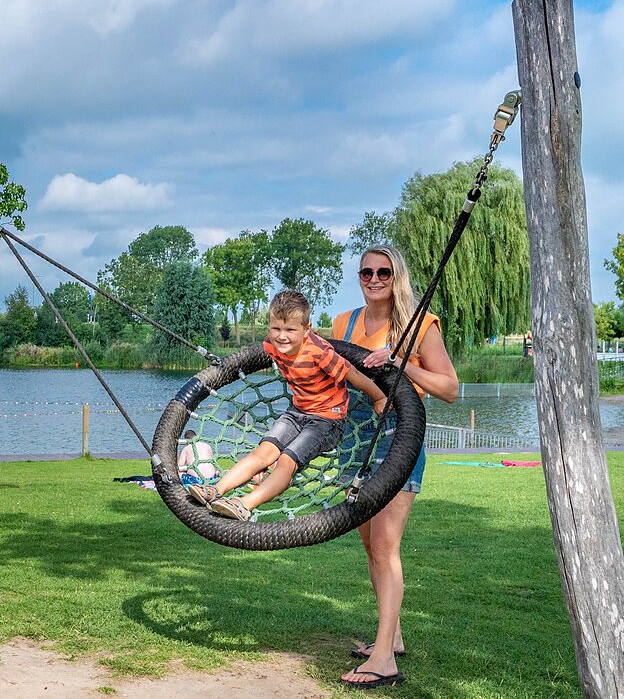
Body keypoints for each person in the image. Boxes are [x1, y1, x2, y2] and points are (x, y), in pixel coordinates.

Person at [331, 245, 458, 689]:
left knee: (386, 545)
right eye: (366, 272)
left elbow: (449, 388)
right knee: (370, 545)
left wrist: (402, 364)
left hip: (399, 435)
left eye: (383, 272)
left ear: (396, 275)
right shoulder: (343, 323)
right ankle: (393, 636)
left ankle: (383, 659)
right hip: (356, 437)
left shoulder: (420, 325)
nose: (374, 279)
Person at [187, 289, 387, 521]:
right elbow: (253, 355)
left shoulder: (319, 352)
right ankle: (215, 490)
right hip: (297, 412)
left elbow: (352, 373)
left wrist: (379, 398)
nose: (282, 336)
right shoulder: (271, 345)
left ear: (306, 329)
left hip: (327, 421)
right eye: (276, 329)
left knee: (286, 460)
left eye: (290, 330)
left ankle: (244, 504)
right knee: (263, 452)